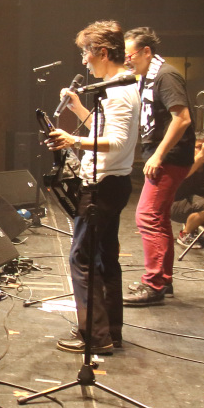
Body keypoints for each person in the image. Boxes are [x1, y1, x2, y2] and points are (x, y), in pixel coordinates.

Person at [45, 20, 140, 354]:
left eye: (86, 53)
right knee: (104, 260)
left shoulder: (118, 92)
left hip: (102, 187)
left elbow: (115, 141)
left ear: (102, 52)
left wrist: (72, 139)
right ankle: (109, 331)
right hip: (114, 184)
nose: (84, 61)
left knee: (81, 260)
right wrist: (78, 108)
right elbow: (106, 130)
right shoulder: (119, 87)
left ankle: (95, 338)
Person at [119, 27, 193, 305]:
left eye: (129, 56)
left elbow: (182, 118)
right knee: (158, 218)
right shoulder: (149, 78)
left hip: (171, 157)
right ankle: (164, 280)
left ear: (146, 51)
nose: (127, 61)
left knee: (147, 216)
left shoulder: (166, 76)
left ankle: (154, 285)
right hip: (166, 156)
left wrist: (159, 154)